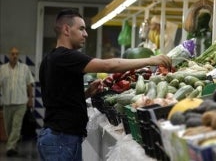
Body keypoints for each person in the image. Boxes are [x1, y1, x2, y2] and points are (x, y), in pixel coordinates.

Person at [37, 9, 172, 161]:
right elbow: (108, 66)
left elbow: (58, 98)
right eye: (81, 28)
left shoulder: (50, 58)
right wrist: (150, 60)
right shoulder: (66, 56)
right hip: (61, 140)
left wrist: (87, 93)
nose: (86, 34)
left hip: (59, 137)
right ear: (66, 30)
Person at [0, 47, 35, 157]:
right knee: (8, 128)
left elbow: (29, 84)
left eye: (16, 54)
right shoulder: (2, 69)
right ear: (9, 55)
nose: (14, 56)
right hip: (7, 103)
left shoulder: (24, 68)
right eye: (12, 54)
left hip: (21, 103)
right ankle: (14, 144)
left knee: (16, 126)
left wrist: (30, 98)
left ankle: (10, 147)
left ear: (18, 55)